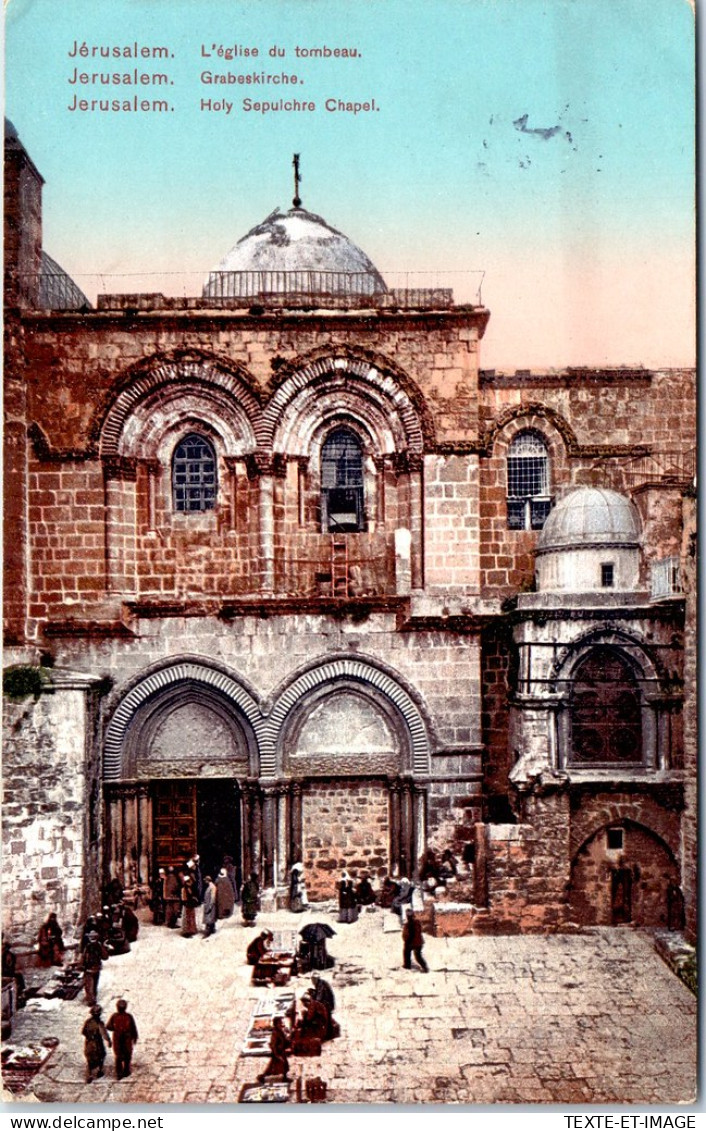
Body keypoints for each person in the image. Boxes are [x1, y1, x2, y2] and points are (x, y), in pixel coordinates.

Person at [106, 998, 138, 1080]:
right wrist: (134, 1036)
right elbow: (133, 1027)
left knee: (118, 1056)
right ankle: (126, 1071)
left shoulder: (114, 1016)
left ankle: (119, 1073)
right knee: (127, 1054)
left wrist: (116, 1029)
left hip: (117, 1038)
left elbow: (108, 1026)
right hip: (127, 1038)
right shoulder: (128, 1016)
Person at [256, 1015, 290, 1083]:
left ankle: (284, 1077)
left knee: (285, 1066)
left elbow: (285, 1040)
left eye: (282, 1022)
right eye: (280, 1023)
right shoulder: (275, 1033)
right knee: (272, 1068)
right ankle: (262, 1077)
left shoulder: (281, 1031)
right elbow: (273, 1044)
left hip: (281, 1051)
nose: (282, 1024)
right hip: (277, 1053)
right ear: (276, 1024)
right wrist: (276, 1054)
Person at [82, 1005, 111, 1083]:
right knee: (101, 1055)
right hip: (97, 1044)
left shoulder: (87, 1022)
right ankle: (99, 1071)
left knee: (90, 1059)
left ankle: (90, 1074)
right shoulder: (100, 1023)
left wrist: (89, 1037)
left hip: (88, 1044)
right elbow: (104, 1034)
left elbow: (83, 1032)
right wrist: (109, 1041)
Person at [310, 971, 339, 1039]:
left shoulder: (320, 985)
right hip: (327, 1002)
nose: (312, 982)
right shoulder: (321, 983)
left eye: (313, 980)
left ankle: (328, 1034)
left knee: (318, 1014)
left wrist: (313, 997)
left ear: (315, 979)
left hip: (327, 1004)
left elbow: (318, 998)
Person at [82, 930, 108, 1005]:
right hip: (97, 968)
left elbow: (83, 958)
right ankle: (94, 996)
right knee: (95, 984)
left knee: (89, 985)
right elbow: (105, 957)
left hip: (89, 969)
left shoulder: (87, 946)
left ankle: (91, 1000)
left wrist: (82, 965)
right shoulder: (99, 945)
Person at [181, 873, 198, 937]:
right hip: (187, 905)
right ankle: (187, 932)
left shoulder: (189, 888)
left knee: (191, 918)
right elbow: (184, 898)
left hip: (190, 904)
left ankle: (192, 930)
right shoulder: (184, 889)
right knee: (187, 919)